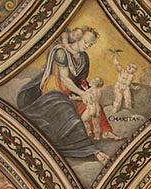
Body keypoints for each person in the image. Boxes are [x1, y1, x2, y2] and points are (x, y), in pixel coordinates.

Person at [16, 27, 114, 165]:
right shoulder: (61, 52)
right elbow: (64, 78)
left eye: (91, 44)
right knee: (69, 114)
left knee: (94, 106)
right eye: (86, 42)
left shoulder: (84, 57)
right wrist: (81, 93)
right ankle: (93, 151)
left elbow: (81, 81)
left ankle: (105, 132)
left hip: (71, 93)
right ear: (78, 38)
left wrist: (87, 92)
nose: (88, 45)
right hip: (53, 92)